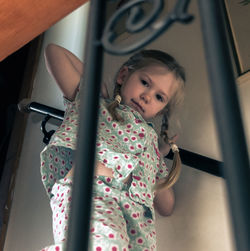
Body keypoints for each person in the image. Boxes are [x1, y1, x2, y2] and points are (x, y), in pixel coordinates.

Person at [40, 43, 185, 251]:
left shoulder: (152, 145)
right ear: (124, 75)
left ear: (162, 111)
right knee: (105, 243)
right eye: (144, 82)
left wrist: (158, 156)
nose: (147, 96)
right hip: (92, 192)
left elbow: (166, 206)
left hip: (135, 223)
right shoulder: (97, 106)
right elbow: (53, 52)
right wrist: (95, 82)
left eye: (159, 97)